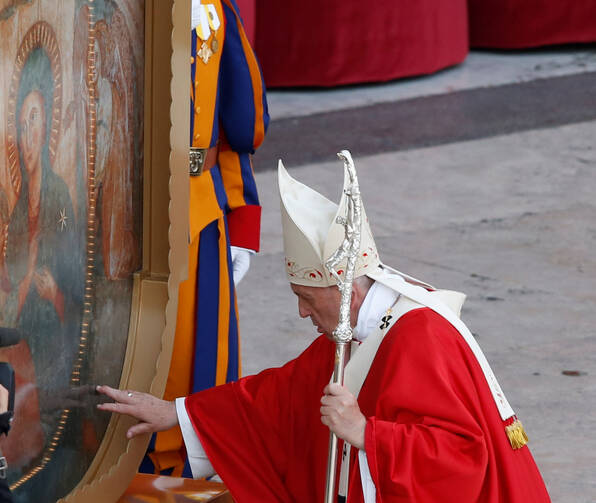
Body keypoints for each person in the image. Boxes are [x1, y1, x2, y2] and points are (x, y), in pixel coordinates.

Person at [98, 154, 550, 502]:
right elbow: (278, 397)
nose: (300, 313)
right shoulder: (358, 329)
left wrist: (364, 433)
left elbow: (461, 458)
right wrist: (176, 413)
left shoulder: (419, 336)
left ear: (346, 292)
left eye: (308, 299)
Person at [143, 0, 269, 475]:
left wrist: (243, 223)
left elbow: (238, 126)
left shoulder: (214, 7)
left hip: (201, 210)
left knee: (195, 356)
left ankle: (189, 467)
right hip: (122, 207)